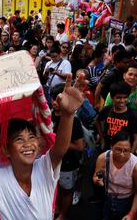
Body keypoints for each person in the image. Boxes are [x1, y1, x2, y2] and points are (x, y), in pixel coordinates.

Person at [0, 73, 87, 220]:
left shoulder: (43, 168)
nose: (28, 144)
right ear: (6, 150)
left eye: (31, 137)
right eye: (19, 139)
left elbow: (60, 149)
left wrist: (68, 115)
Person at [51, 83, 85, 220]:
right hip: (52, 163)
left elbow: (79, 146)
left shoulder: (74, 122)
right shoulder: (49, 115)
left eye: (58, 99)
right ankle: (57, 207)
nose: (55, 102)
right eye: (53, 98)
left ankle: (63, 214)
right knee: (55, 187)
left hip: (67, 164)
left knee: (66, 190)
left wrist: (57, 143)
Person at [93, 131, 137, 220]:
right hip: (107, 198)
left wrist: (131, 214)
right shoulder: (103, 158)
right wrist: (97, 180)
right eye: (118, 149)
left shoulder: (136, 167)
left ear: (131, 149)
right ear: (111, 146)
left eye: (126, 150)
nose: (122, 154)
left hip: (126, 201)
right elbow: (95, 176)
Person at [97, 81, 137, 151]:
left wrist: (131, 154)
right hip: (107, 148)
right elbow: (97, 121)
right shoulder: (106, 110)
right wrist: (102, 137)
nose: (122, 100)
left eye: (125, 97)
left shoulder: (134, 115)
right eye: (118, 98)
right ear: (112, 97)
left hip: (124, 151)